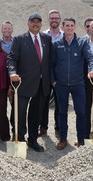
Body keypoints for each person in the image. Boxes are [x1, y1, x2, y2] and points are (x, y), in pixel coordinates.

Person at [51, 18, 93, 150]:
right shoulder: (57, 44)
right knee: (62, 112)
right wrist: (53, 81)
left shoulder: (82, 43)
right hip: (61, 84)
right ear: (62, 27)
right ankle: (63, 139)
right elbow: (52, 64)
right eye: (67, 25)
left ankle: (81, 140)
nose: (69, 28)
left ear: (75, 27)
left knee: (81, 112)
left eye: (72, 25)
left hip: (78, 83)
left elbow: (90, 57)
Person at [7, 13, 52, 152]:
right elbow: (12, 58)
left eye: (38, 22)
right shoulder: (20, 39)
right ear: (28, 23)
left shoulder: (47, 39)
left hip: (41, 83)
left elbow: (50, 60)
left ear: (41, 25)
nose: (36, 24)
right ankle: (19, 138)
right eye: (33, 21)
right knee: (20, 112)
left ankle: (32, 140)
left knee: (36, 114)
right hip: (23, 83)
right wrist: (12, 73)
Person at [39, 10, 63, 139]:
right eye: (52, 18)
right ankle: (43, 128)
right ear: (48, 20)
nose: (54, 20)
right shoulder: (42, 35)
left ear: (60, 20)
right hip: (45, 74)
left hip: (59, 75)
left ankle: (58, 129)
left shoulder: (65, 35)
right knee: (43, 103)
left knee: (59, 103)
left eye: (56, 18)